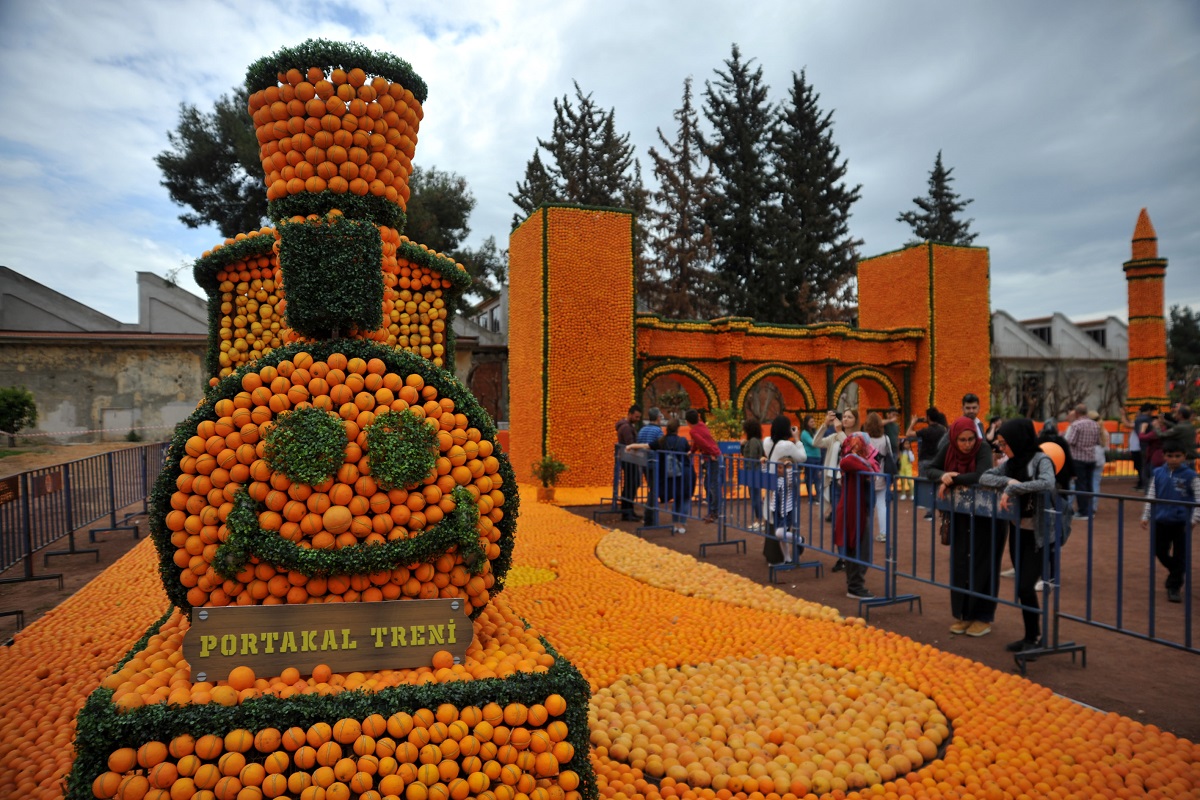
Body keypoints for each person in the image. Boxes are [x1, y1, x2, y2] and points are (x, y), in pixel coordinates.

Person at [980, 418, 1058, 657]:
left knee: (1025, 585)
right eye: (1000, 444)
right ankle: (1030, 635)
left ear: (1018, 439)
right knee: (1023, 589)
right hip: (1018, 529)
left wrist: (1014, 488)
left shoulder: (1041, 459)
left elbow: (1047, 482)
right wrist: (1008, 481)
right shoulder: (1011, 463)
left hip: (1038, 533)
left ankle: (1035, 637)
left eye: (1005, 443)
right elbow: (985, 477)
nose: (1002, 448)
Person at [923, 416, 997, 637]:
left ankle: (982, 617)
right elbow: (931, 469)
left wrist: (953, 480)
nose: (967, 444)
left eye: (970, 439)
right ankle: (963, 615)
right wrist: (943, 475)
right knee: (960, 564)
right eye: (962, 440)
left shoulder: (982, 448)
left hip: (985, 516)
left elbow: (982, 475)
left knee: (982, 564)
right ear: (955, 438)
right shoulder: (948, 448)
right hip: (960, 515)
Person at [1140, 441, 1200, 603]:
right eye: (1170, 456)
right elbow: (1152, 494)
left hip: (1182, 522)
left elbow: (1198, 498)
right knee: (1159, 550)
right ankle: (1176, 570)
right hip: (1161, 519)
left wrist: (1194, 518)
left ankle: (1174, 586)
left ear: (1184, 457)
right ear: (1164, 456)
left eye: (1177, 456)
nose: (1174, 459)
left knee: (1180, 554)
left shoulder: (1191, 476)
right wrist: (1146, 515)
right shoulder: (1158, 472)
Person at [836, 433, 877, 600]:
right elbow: (846, 462)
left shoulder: (859, 459)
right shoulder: (851, 459)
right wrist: (866, 467)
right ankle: (855, 585)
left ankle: (854, 583)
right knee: (861, 547)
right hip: (854, 509)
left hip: (857, 508)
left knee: (857, 545)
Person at [762, 416, 806, 565]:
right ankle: (796, 545)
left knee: (774, 521)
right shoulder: (786, 445)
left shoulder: (767, 442)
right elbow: (802, 457)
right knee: (783, 523)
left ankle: (783, 557)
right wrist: (797, 439)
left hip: (772, 485)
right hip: (785, 486)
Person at [653, 419, 694, 534]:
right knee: (685, 497)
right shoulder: (682, 441)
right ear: (678, 429)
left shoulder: (662, 441)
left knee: (676, 497)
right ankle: (682, 523)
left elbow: (649, 446)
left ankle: (675, 523)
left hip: (669, 474)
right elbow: (689, 453)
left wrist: (631, 446)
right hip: (683, 472)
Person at [906, 407, 948, 519]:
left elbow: (908, 433)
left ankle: (930, 511)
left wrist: (913, 422)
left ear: (928, 417)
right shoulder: (943, 429)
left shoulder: (926, 431)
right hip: (938, 460)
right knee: (938, 485)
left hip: (925, 461)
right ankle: (941, 509)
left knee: (927, 485)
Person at [1064, 404, 1100, 519]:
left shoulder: (1076, 425)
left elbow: (1070, 441)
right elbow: (1097, 441)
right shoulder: (1095, 424)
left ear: (1076, 413)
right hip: (1091, 458)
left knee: (1080, 485)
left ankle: (1083, 511)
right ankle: (1090, 509)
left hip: (1078, 459)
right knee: (1089, 484)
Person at [686, 409, 722, 522]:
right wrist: (692, 451)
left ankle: (714, 512)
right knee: (709, 484)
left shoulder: (693, 431)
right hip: (713, 456)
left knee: (712, 485)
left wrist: (712, 453)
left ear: (687, 422)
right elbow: (699, 442)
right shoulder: (701, 425)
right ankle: (712, 511)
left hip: (713, 457)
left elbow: (702, 442)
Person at [863, 412, 894, 544]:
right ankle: (884, 533)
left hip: (866, 475)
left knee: (866, 505)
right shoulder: (885, 438)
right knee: (882, 504)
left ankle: (865, 533)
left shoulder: (864, 438)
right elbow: (890, 454)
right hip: (881, 474)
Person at [636, 407, 664, 526]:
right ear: (657, 417)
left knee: (651, 488)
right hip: (654, 462)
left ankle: (649, 515)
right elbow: (662, 445)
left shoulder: (642, 430)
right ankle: (650, 516)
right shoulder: (658, 431)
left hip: (644, 462)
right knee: (654, 490)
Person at [615, 404, 642, 520]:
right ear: (630, 414)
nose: (637, 419)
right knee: (631, 484)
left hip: (628, 459)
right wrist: (641, 447)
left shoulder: (627, 426)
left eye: (639, 417)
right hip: (629, 459)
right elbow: (630, 443)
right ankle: (627, 512)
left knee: (631, 484)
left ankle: (628, 510)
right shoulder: (626, 428)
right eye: (636, 417)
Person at [740, 419, 765, 530]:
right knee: (755, 496)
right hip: (754, 470)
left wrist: (749, 472)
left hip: (753, 471)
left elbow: (752, 457)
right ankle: (759, 519)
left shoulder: (754, 441)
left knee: (755, 496)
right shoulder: (756, 440)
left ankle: (759, 520)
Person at [1131, 403, 1156, 490]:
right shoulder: (1146, 419)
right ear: (1149, 410)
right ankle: (1146, 486)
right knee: (1147, 466)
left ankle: (1144, 484)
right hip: (1147, 445)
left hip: (1142, 445)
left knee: (1144, 465)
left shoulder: (1138, 419)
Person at [800, 415, 823, 503]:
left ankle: (818, 496)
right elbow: (813, 443)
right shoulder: (805, 433)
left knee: (817, 478)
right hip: (810, 458)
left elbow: (819, 441)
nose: (813, 423)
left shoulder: (814, 432)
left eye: (813, 421)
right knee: (809, 478)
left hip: (817, 457)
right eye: (811, 422)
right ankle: (811, 497)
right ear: (806, 423)